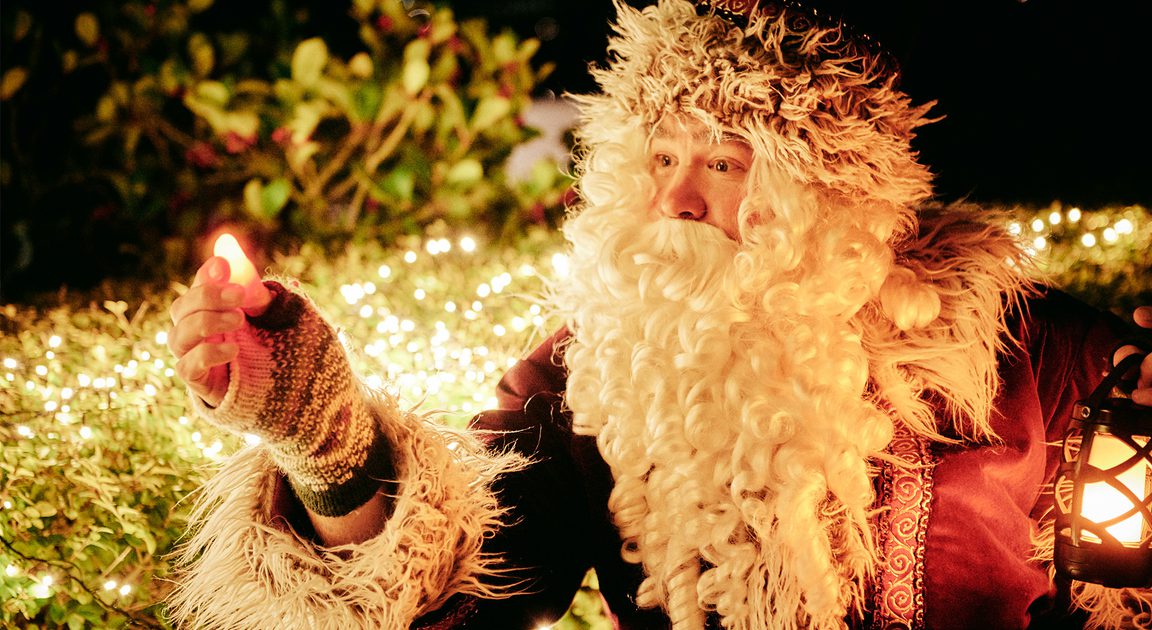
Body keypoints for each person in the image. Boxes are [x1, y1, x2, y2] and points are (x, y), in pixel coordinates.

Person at [164, 0, 1152, 628]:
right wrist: (329, 446)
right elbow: (463, 592)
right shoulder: (588, 376)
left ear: (828, 188)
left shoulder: (1029, 348)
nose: (678, 200)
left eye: (723, 163)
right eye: (660, 161)